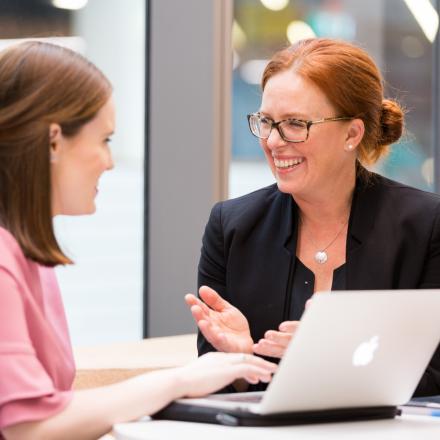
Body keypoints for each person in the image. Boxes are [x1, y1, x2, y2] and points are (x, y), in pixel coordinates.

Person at [0, 41, 277, 440]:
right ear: (53, 141)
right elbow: (30, 426)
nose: (109, 162)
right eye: (105, 140)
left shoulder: (28, 255)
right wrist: (179, 381)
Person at [185, 38, 440, 396]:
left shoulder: (426, 225)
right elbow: (218, 385)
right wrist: (241, 362)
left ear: (352, 133)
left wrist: (330, 359)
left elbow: (435, 374)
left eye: (294, 124)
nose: (273, 141)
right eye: (266, 122)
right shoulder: (232, 226)